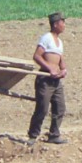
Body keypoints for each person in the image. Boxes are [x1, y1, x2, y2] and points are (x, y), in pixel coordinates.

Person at [28, 12, 68, 144]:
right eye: (62, 22)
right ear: (55, 24)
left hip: (56, 81)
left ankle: (54, 134)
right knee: (42, 108)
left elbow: (60, 59)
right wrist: (49, 68)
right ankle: (33, 136)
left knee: (60, 107)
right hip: (45, 79)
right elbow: (37, 56)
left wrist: (63, 70)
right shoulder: (47, 38)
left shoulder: (60, 42)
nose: (64, 25)